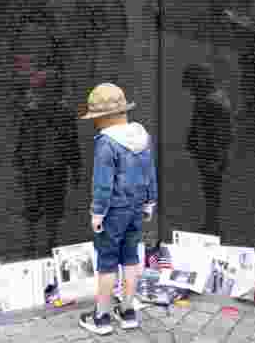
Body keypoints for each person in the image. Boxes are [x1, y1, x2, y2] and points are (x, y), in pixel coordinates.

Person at [77, 83, 158, 336]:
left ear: (102, 118)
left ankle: (100, 317)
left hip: (113, 211)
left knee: (108, 262)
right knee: (131, 257)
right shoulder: (142, 136)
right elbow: (150, 174)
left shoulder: (105, 143)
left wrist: (97, 213)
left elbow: (102, 184)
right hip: (136, 208)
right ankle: (128, 311)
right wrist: (149, 202)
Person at [12, 62, 81, 258]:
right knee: (45, 211)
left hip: (42, 170)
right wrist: (75, 169)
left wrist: (19, 165)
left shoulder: (35, 114)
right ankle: (42, 246)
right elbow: (71, 145)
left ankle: (36, 246)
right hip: (46, 170)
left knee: (41, 211)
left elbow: (70, 143)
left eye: (37, 90)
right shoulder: (45, 114)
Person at [181, 63, 232, 236]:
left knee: (211, 191)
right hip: (209, 154)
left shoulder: (211, 103)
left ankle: (213, 226)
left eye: (191, 85)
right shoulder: (210, 99)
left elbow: (217, 133)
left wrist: (216, 157)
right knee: (210, 190)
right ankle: (211, 224)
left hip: (211, 154)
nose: (190, 91)